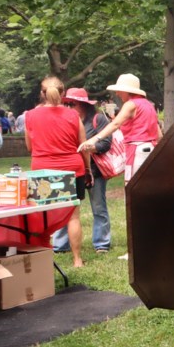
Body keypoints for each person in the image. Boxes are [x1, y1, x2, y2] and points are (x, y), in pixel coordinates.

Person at [25, 76, 92, 267]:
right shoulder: (73, 116)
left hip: (41, 171)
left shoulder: (30, 116)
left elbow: (30, 147)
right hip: (72, 169)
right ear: (63, 93)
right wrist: (88, 169)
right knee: (74, 216)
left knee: (41, 216)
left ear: (42, 94)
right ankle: (77, 260)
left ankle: (42, 258)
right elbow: (83, 146)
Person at [52, 88, 113, 255]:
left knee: (99, 207)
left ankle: (101, 243)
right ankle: (60, 245)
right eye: (67, 104)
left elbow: (107, 142)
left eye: (73, 104)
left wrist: (91, 147)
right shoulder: (63, 119)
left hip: (94, 170)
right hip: (70, 170)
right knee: (65, 209)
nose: (69, 107)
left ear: (84, 105)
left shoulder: (97, 119)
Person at [78, 73, 161, 185]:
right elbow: (159, 135)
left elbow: (115, 124)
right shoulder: (148, 105)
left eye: (119, 90)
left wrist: (94, 139)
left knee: (133, 186)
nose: (117, 93)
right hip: (151, 149)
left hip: (136, 150)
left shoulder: (131, 104)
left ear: (126, 91)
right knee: (147, 186)